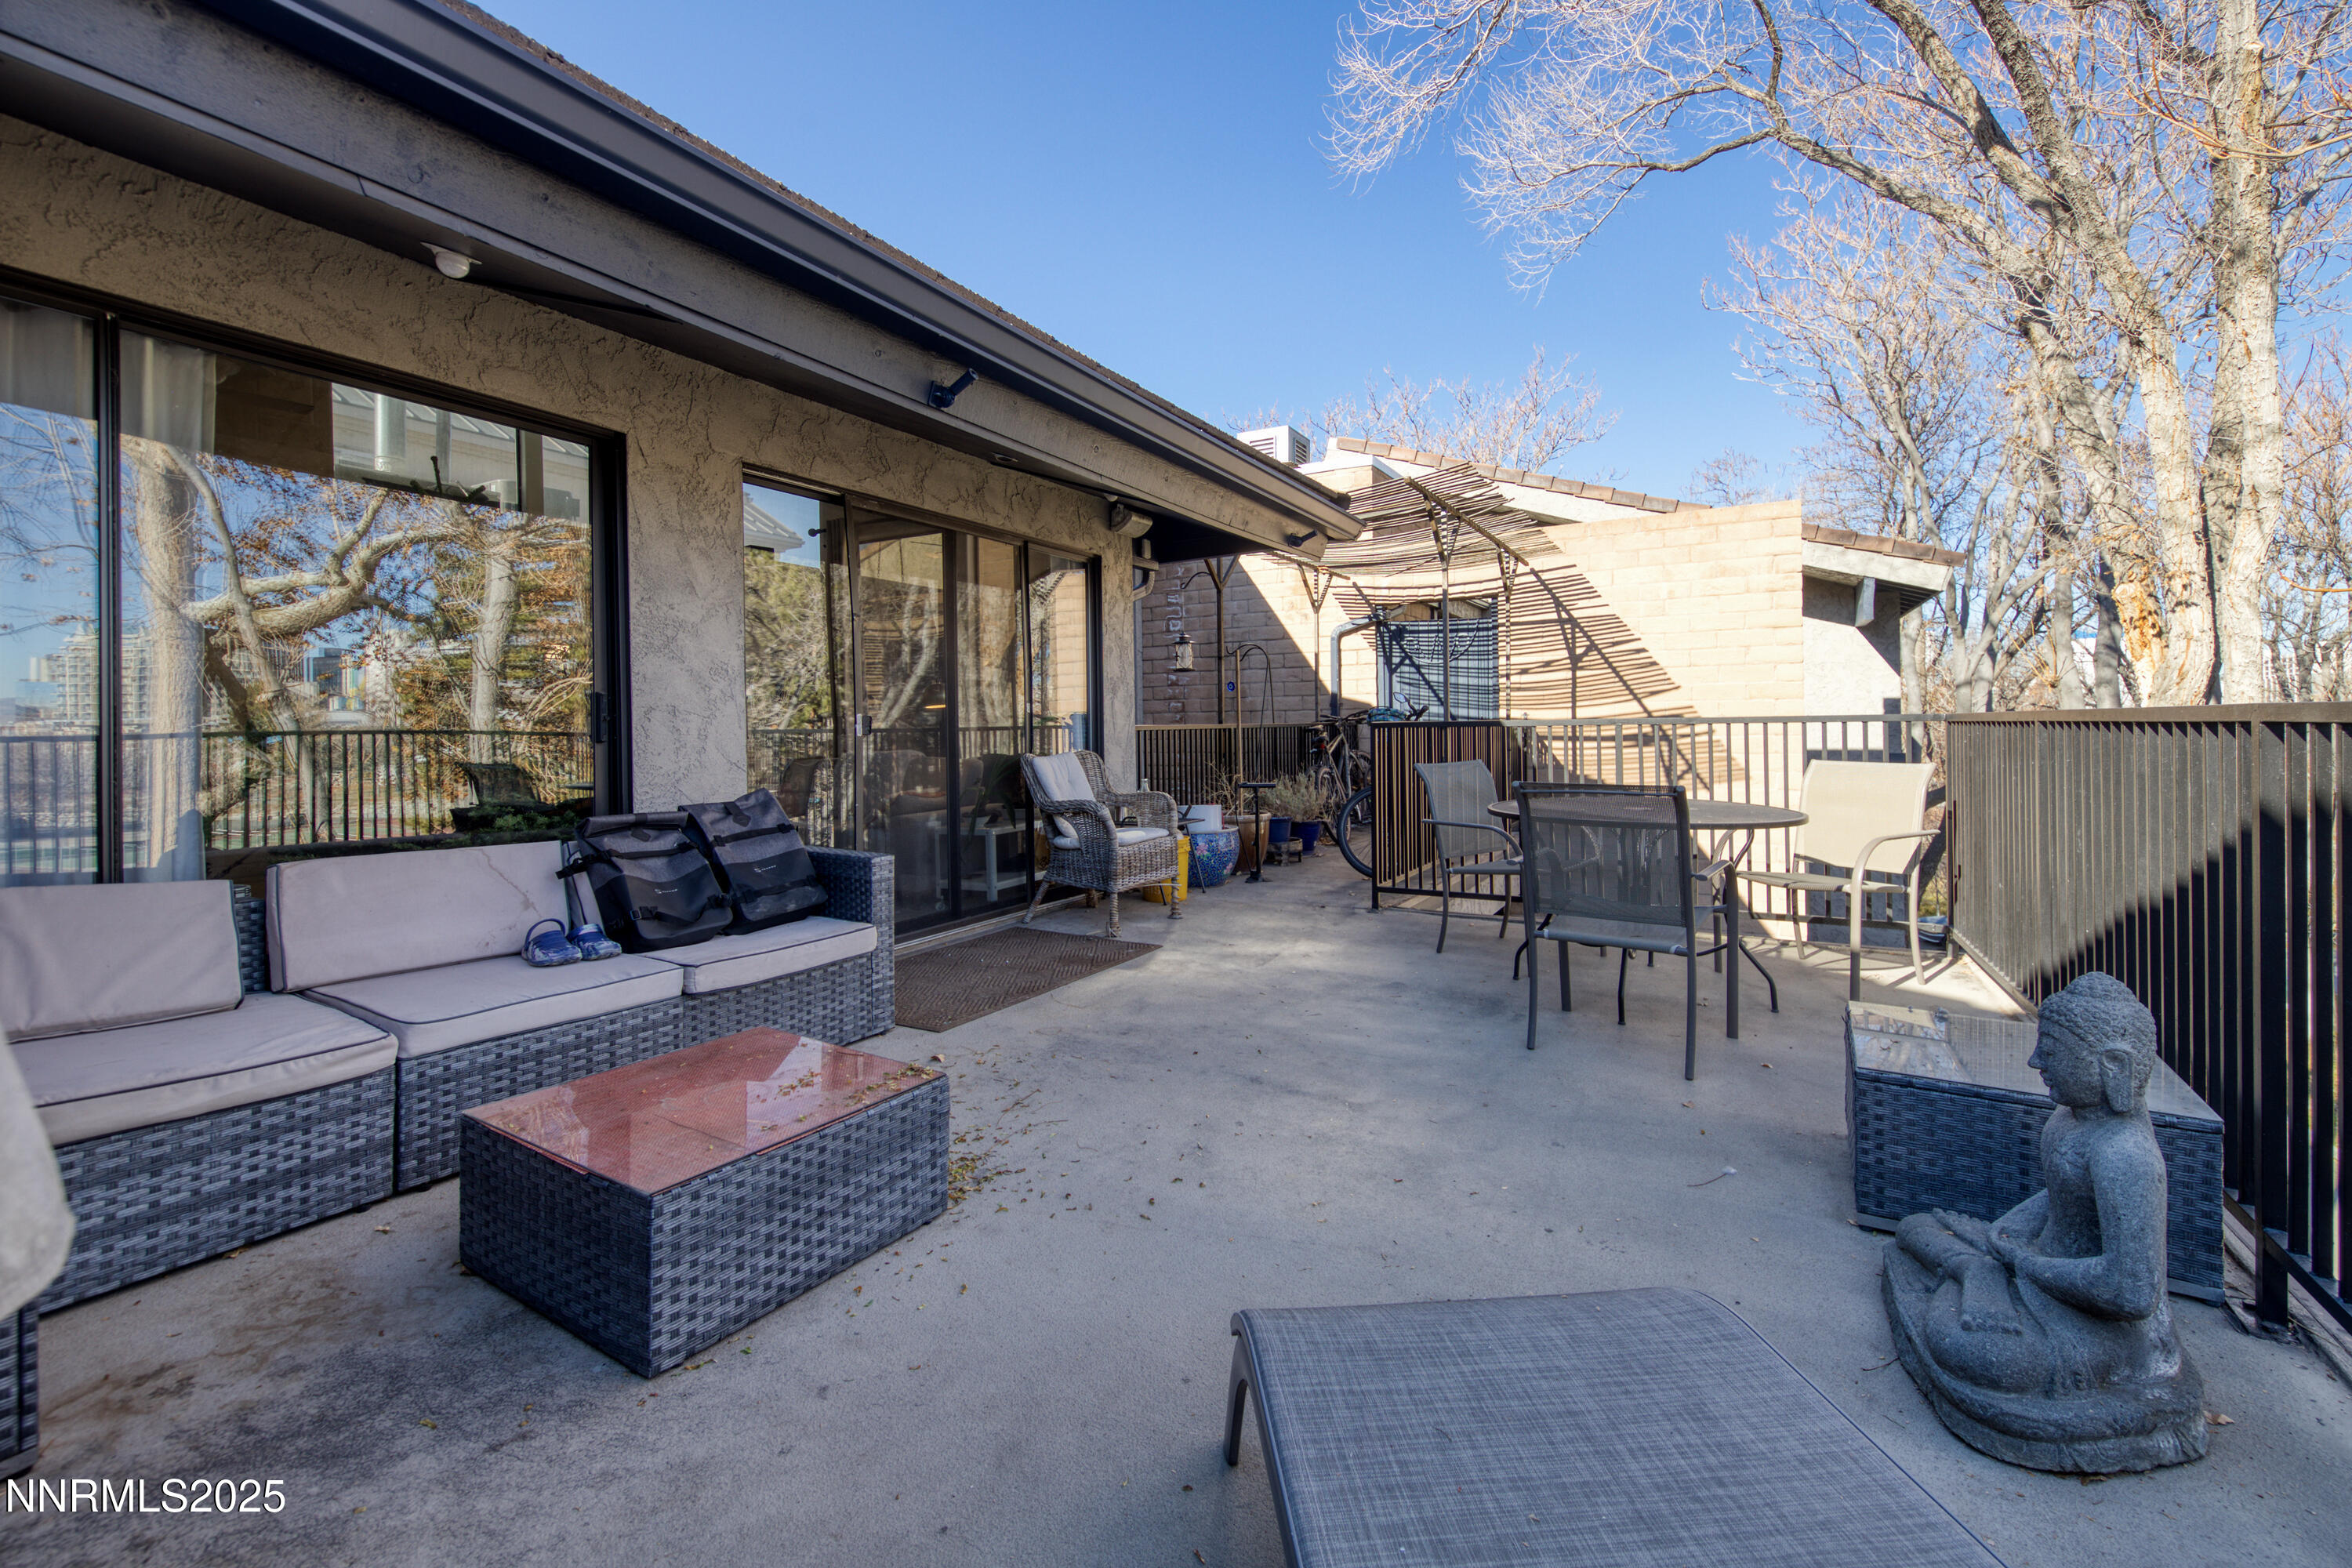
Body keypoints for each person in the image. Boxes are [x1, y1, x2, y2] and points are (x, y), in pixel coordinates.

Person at [1882, 973, 2205, 1470]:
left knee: (1967, 1347)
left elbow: (2133, 1292)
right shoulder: (2072, 1119)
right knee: (1917, 1225)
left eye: (2050, 1052)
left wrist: (2025, 1263)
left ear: (2112, 1064)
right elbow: (2059, 1195)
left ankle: (1973, 1273)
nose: (2036, 1063)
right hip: (2035, 1267)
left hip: (2096, 1324)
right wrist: (2007, 1235)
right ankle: (1976, 1272)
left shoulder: (2127, 1155)